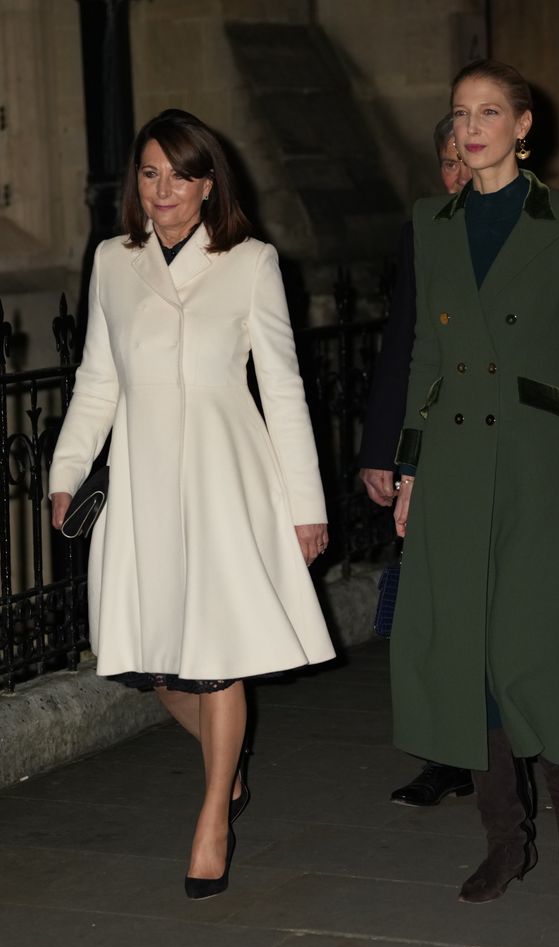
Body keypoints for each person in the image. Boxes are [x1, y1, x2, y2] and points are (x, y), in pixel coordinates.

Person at [49, 109, 335, 900]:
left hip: (225, 480)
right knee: (157, 669)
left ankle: (213, 818)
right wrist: (66, 471)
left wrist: (306, 506)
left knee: (216, 663)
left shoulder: (249, 262)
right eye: (149, 173)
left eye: (179, 175)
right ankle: (227, 759)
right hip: (141, 483)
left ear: (209, 184)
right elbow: (97, 381)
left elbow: (282, 386)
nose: (163, 190)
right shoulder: (112, 261)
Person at [391, 59, 559, 903]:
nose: (473, 126)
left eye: (490, 111)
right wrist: (411, 467)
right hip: (456, 463)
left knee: (545, 638)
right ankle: (506, 837)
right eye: (461, 113)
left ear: (524, 125)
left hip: (537, 457)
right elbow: (427, 350)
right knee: (470, 651)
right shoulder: (432, 219)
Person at [359, 115, 473, 807]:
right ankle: (447, 755)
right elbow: (401, 339)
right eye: (448, 162)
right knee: (432, 614)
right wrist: (381, 450)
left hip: (514, 446)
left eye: (470, 157)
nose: (458, 174)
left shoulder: (553, 224)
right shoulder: (426, 226)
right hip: (434, 447)